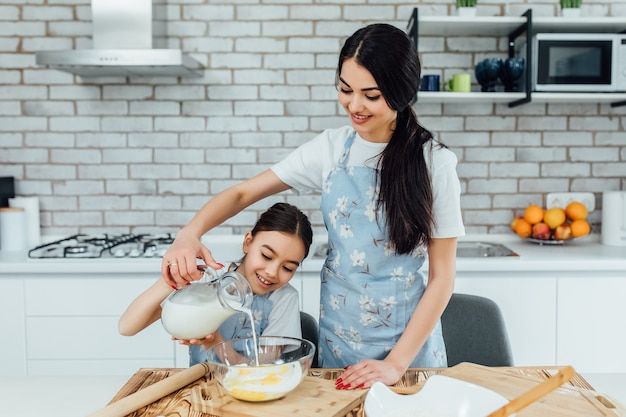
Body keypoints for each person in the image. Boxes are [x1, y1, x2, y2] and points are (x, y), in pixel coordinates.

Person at [160, 23, 465, 387]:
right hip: (340, 340)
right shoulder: (330, 149)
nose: (354, 105)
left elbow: (442, 278)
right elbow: (243, 193)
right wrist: (189, 233)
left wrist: (396, 363)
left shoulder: (435, 163)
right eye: (345, 89)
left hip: (409, 352)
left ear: (402, 92)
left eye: (371, 95)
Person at [119, 202, 313, 366]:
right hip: (200, 392)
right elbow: (127, 327)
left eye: (288, 268)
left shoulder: (283, 298)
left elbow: (260, 369)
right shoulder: (207, 280)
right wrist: (172, 278)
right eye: (266, 256)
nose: (272, 272)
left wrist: (215, 342)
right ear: (248, 242)